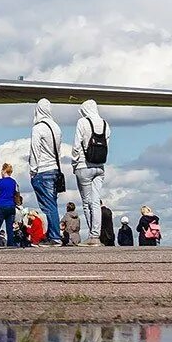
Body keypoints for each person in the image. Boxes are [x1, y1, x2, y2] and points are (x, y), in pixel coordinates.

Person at [72, 100, 109, 247]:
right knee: (95, 202)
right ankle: (95, 235)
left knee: (87, 203)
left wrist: (75, 163)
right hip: (100, 166)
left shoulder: (82, 122)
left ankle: (92, 237)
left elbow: (76, 145)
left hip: (84, 165)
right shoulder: (105, 124)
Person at [28, 99, 64, 246]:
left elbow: (34, 150)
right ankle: (52, 234)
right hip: (55, 169)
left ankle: (55, 237)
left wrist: (33, 170)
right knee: (52, 204)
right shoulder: (56, 128)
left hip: (42, 170)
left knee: (48, 206)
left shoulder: (38, 128)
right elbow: (59, 151)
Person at [0, 163, 18, 247]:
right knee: (9, 227)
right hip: (11, 206)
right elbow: (16, 193)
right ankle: (10, 243)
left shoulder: (0, 181)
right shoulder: (13, 182)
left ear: (3, 171)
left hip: (2, 206)